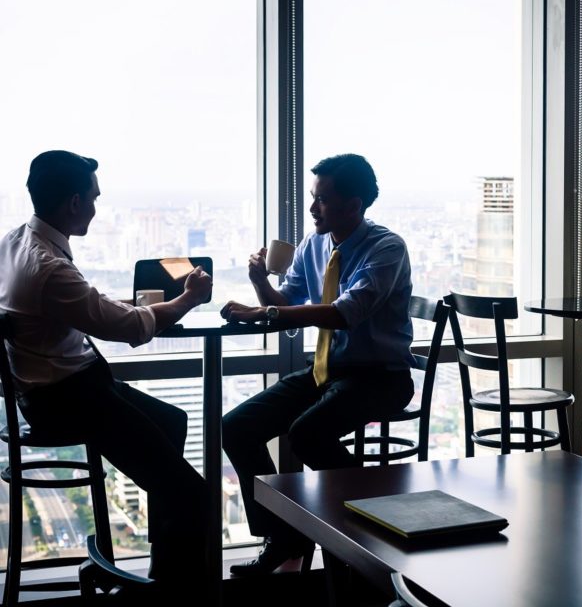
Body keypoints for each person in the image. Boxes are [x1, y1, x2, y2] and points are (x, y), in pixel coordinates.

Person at [0, 150, 212, 583]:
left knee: (173, 421)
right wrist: (187, 298)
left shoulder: (15, 242)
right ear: (74, 203)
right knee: (195, 496)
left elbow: (79, 307)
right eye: (93, 199)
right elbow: (129, 328)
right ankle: (171, 597)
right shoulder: (49, 267)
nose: (97, 209)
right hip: (70, 398)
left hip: (52, 391)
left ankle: (161, 567)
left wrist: (111, 306)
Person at [221, 153, 415, 576]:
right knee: (235, 427)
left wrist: (266, 315)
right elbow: (285, 305)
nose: (312, 209)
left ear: (355, 204)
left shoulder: (386, 248)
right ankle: (284, 535)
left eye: (322, 200)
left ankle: (365, 528)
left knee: (307, 434)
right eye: (314, 198)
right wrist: (260, 284)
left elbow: (346, 312)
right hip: (325, 372)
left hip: (381, 377)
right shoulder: (313, 245)